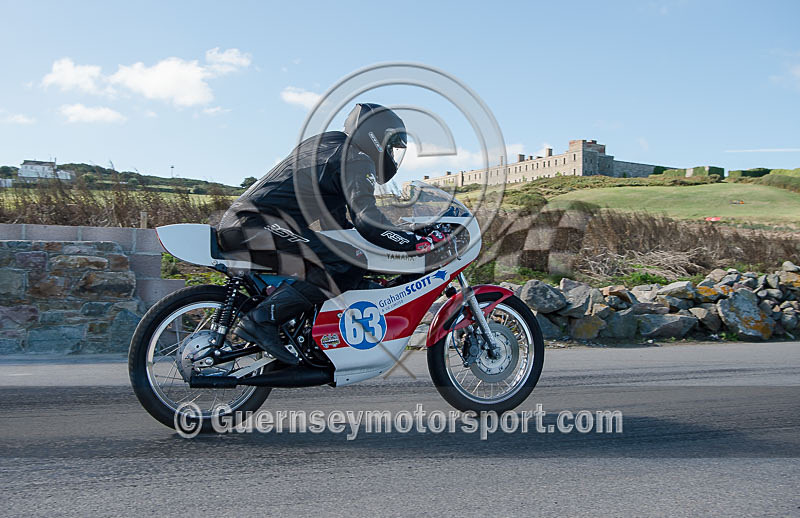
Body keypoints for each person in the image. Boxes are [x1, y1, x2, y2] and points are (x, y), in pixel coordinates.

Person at [217, 103, 442, 364]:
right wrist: (414, 243)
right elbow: (367, 221)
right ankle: (261, 320)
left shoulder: (327, 145)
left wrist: (381, 246)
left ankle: (296, 329)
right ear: (377, 137)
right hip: (258, 226)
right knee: (347, 261)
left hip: (246, 224)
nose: (391, 155)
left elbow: (335, 225)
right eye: (391, 146)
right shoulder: (356, 158)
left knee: (346, 258)